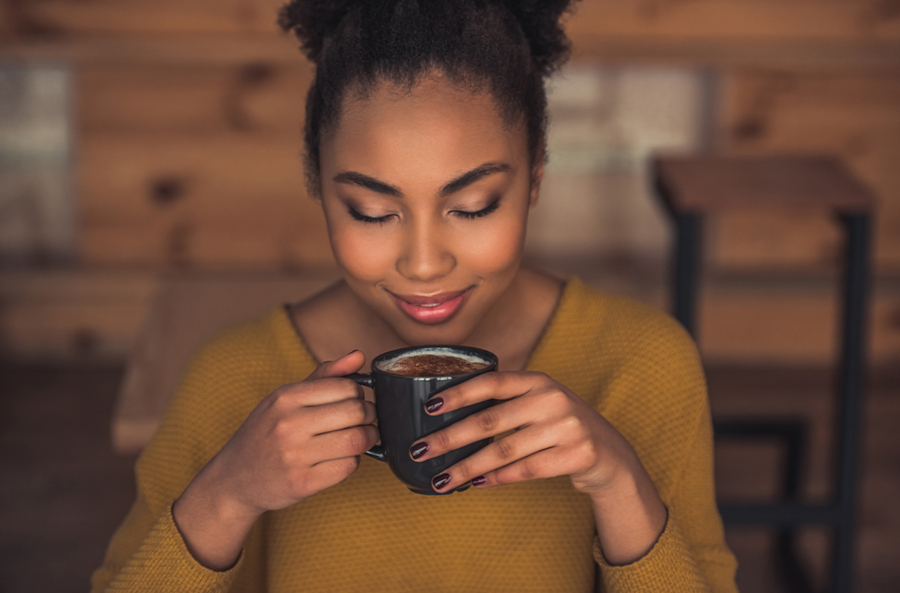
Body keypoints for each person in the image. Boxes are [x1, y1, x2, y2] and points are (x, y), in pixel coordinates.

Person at [91, 1, 738, 591]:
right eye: (372, 211)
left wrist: (619, 481)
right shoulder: (236, 376)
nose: (425, 265)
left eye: (474, 206)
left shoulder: (641, 362)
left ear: (535, 177)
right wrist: (228, 493)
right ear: (319, 185)